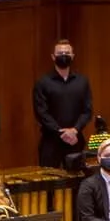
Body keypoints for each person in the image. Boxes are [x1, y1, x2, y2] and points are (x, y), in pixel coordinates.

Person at [32, 38, 94, 171]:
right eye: (60, 53)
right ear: (53, 57)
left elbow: (87, 111)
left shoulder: (82, 81)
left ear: (72, 56)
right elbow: (41, 112)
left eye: (67, 53)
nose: (64, 56)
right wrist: (61, 132)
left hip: (75, 140)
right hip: (50, 141)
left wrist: (74, 130)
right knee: (48, 182)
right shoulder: (43, 82)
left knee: (77, 180)